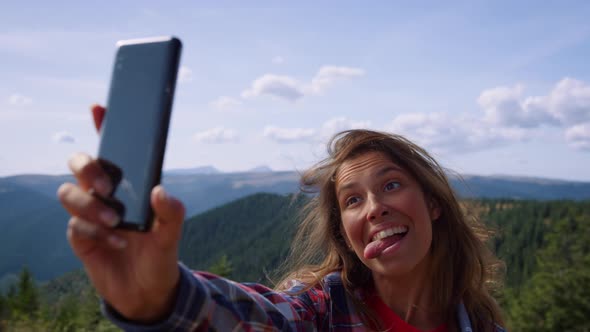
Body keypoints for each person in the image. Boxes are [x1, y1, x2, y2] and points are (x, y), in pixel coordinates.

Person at [58, 105, 505, 331]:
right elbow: (258, 319)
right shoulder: (319, 312)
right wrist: (163, 298)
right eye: (352, 201)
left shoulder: (482, 325)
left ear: (433, 203)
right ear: (346, 237)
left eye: (390, 185)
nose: (373, 208)